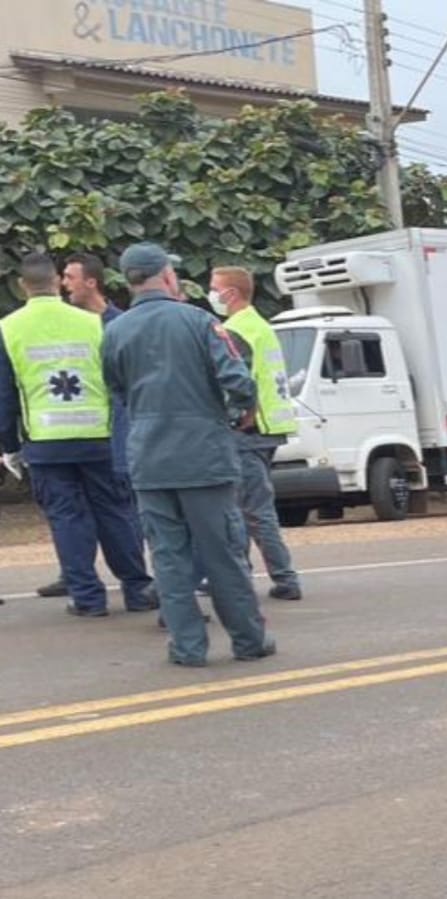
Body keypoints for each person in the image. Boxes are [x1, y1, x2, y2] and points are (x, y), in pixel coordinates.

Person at [101, 243, 275, 666]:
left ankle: (187, 648)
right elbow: (239, 382)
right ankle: (248, 640)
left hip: (149, 459)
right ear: (166, 276)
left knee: (168, 559)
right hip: (204, 457)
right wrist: (234, 416)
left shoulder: (114, 331)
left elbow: (116, 388)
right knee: (222, 554)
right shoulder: (199, 322)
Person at [0, 252, 155, 617]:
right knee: (115, 514)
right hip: (98, 437)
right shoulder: (93, 323)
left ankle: (88, 599)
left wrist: (9, 446)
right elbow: (118, 382)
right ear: (57, 281)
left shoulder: (7, 328)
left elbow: (5, 396)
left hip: (46, 442)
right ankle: (137, 590)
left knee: (67, 518)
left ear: (22, 286)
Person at [211, 267, 303, 601]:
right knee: (247, 508)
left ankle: (280, 578)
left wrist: (237, 419)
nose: (211, 295)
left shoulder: (235, 330)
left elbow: (239, 383)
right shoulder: (260, 325)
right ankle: (252, 574)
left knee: (250, 510)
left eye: (214, 288)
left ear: (231, 293)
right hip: (267, 427)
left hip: (248, 430)